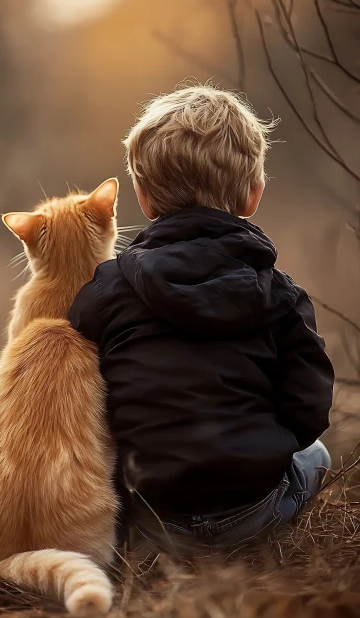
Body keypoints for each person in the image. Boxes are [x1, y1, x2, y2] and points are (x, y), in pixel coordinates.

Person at [68, 84, 334, 550]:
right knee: (318, 455)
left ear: (144, 197)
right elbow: (309, 407)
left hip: (147, 519)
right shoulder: (280, 295)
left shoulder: (108, 290)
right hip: (253, 512)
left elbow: (79, 392)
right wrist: (256, 445)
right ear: (254, 195)